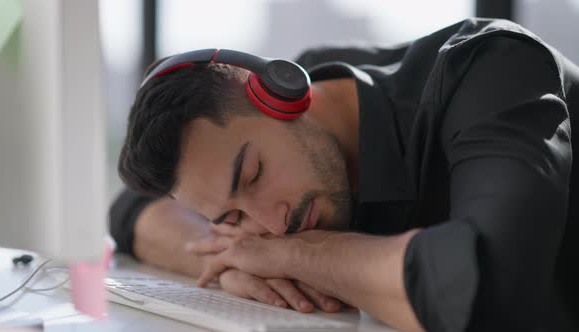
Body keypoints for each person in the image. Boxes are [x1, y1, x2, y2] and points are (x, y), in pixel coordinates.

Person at [110, 18, 579, 331]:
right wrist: (233, 264)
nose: (272, 226)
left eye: (253, 175)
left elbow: (488, 289)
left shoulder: (493, 69)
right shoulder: (297, 111)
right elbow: (130, 212)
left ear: (284, 94)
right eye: (231, 217)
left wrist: (299, 256)